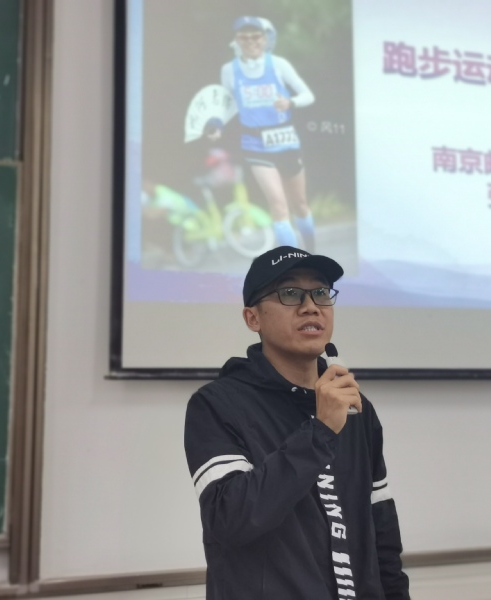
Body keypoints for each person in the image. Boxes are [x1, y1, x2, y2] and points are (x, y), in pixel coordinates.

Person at [184, 245, 411, 599]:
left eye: (321, 292)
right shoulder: (217, 404)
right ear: (252, 319)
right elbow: (229, 520)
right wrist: (320, 432)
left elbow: (382, 533)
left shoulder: (354, 407)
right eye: (290, 293)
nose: (311, 306)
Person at [213, 16, 317, 252]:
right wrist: (217, 123)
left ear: (265, 39)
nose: (250, 42)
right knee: (278, 206)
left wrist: (290, 102)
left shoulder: (278, 64)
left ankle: (311, 251)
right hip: (255, 143)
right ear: (236, 40)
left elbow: (308, 95)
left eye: (256, 36)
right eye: (244, 37)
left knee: (300, 204)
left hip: (286, 140)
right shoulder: (229, 70)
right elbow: (231, 104)